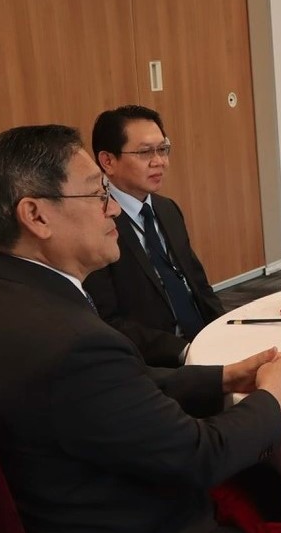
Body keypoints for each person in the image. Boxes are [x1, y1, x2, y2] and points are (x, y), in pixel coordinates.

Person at [0, 124, 281, 533]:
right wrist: (273, 396)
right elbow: (199, 458)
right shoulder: (71, 343)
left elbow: (117, 389)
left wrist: (223, 377)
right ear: (36, 215)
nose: (114, 209)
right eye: (98, 194)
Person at [86, 105, 223, 366]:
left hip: (204, 342)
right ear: (108, 161)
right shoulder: (97, 223)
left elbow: (198, 285)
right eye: (145, 152)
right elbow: (108, 320)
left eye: (163, 149)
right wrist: (184, 352)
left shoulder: (167, 208)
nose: (159, 161)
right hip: (157, 362)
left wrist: (225, 330)